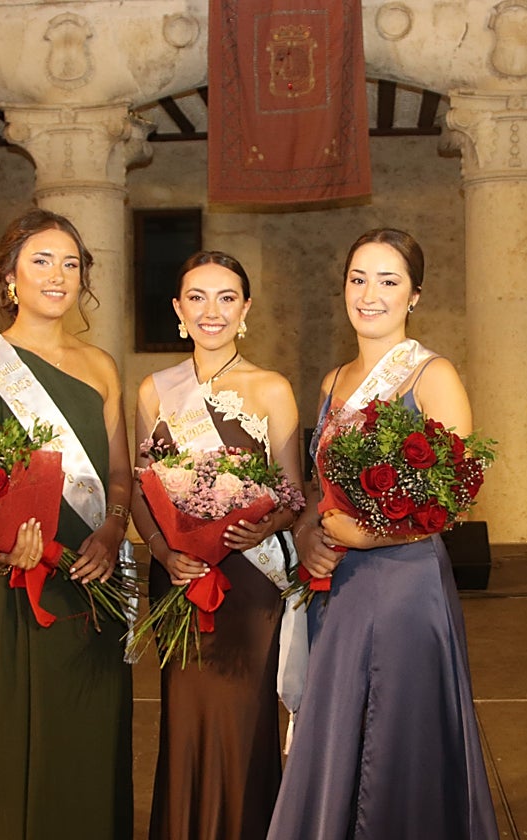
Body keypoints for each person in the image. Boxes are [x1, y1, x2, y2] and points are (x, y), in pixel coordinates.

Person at [267, 229, 499, 840]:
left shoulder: (433, 374)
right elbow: (318, 489)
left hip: (404, 588)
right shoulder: (331, 382)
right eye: (358, 279)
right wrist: (311, 527)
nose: (370, 294)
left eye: (388, 281)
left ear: (414, 296)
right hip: (337, 590)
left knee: (400, 737)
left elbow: (454, 497)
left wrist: (369, 537)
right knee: (339, 731)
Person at [0, 208, 133, 839]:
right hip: (18, 581)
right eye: (41, 261)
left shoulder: (100, 366)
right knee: (27, 719)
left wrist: (111, 531)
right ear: (10, 276)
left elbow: (119, 479)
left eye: (71, 263)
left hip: (94, 572)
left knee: (92, 720)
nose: (58, 275)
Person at [131, 251, 304, 840]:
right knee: (184, 723)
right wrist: (162, 549)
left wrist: (263, 524)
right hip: (178, 579)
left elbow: (292, 494)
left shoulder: (272, 388)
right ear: (178, 309)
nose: (212, 310)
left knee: (245, 719)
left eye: (227, 297)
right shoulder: (154, 391)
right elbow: (138, 491)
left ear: (246, 309)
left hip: (248, 584)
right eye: (197, 297)